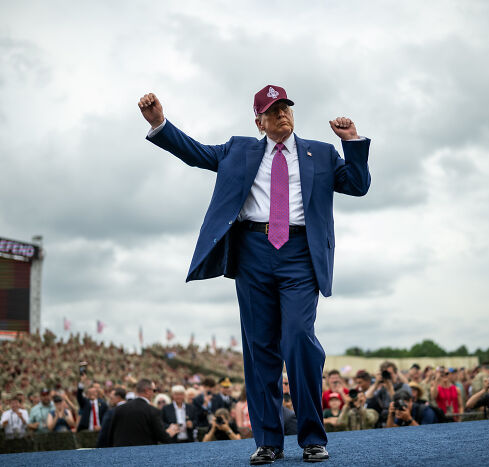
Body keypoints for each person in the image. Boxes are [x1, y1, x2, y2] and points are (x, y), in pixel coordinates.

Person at [138, 85, 370, 465]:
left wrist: (353, 142)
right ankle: (268, 441)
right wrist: (160, 124)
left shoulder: (323, 153)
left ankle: (312, 436)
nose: (282, 114)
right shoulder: (238, 150)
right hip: (254, 253)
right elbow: (196, 154)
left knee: (298, 338)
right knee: (260, 349)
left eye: (286, 107)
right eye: (273, 110)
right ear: (258, 120)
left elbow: (359, 186)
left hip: (300, 255)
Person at [110, 379, 172, 447]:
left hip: (121, 453)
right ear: (147, 391)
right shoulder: (152, 411)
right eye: (154, 390)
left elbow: (111, 434)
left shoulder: (119, 409)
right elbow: (162, 437)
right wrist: (169, 433)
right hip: (144, 454)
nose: (154, 393)